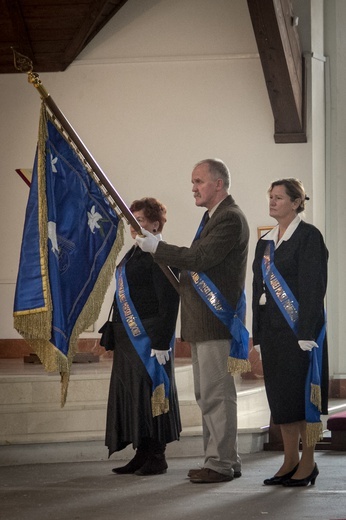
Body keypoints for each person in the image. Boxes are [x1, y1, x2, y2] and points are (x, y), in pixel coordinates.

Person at [136, 159, 250, 483]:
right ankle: (225, 459)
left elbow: (200, 259)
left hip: (215, 321)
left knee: (216, 395)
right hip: (202, 321)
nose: (193, 188)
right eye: (192, 182)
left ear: (218, 184)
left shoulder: (229, 218)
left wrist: (158, 247)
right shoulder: (212, 217)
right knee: (207, 394)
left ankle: (220, 464)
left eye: (199, 181)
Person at [252, 178, 329, 487]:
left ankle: (308, 463)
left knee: (300, 400)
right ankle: (289, 460)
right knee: (281, 400)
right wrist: (257, 335)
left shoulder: (309, 237)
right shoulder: (265, 242)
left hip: (300, 334)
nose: (272, 202)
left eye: (279, 197)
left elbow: (314, 287)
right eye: (271, 196)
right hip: (272, 335)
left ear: (297, 203)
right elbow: (257, 289)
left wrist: (308, 331)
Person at [105, 197, 181, 476]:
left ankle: (157, 455)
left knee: (153, 394)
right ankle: (142, 452)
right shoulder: (136, 252)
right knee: (136, 396)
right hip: (130, 337)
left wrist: (162, 342)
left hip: (150, 337)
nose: (134, 227)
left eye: (140, 221)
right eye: (132, 222)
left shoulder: (161, 253)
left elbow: (170, 300)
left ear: (156, 224)